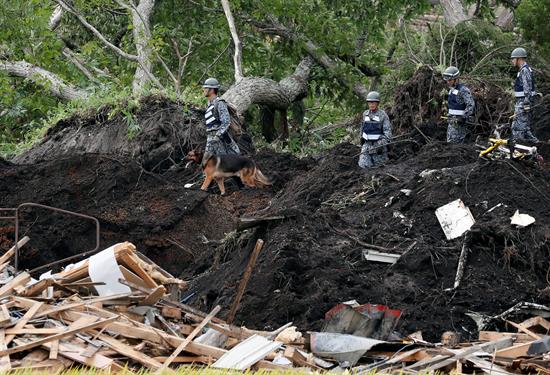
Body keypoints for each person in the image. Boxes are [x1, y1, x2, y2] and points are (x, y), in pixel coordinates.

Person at [202, 78, 240, 155]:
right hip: (210, 139)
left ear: (212, 90)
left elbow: (226, 122)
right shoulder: (209, 104)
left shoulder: (219, 103)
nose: (204, 90)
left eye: (206, 88)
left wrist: (218, 136)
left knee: (223, 163)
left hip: (220, 140)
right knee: (206, 163)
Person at [510, 47, 538, 143]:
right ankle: (538, 145)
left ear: (519, 59)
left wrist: (526, 102)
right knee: (525, 129)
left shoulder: (524, 71)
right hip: (522, 102)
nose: (512, 61)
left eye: (513, 59)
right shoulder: (524, 70)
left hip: (523, 103)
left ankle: (518, 149)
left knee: (517, 128)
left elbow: (527, 87)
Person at [358, 91, 392, 169]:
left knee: (380, 169)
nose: (371, 104)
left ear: (377, 103)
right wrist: (362, 143)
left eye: (373, 103)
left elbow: (388, 135)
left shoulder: (383, 115)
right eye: (370, 103)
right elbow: (362, 129)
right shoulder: (365, 114)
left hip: (379, 148)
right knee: (363, 167)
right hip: (366, 147)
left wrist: (379, 145)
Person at [442, 66, 475, 144]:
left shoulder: (463, 90)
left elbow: (470, 104)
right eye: (447, 80)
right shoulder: (451, 90)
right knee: (450, 144)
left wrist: (463, 117)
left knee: (455, 146)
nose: (448, 82)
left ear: (456, 79)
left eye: (450, 80)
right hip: (451, 123)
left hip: (459, 124)